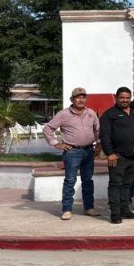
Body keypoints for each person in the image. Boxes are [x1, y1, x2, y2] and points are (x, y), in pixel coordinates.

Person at [44, 87, 101, 221]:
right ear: (72, 99)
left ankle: (89, 207)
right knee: (70, 180)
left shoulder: (91, 113)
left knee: (88, 180)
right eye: (78, 97)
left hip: (89, 151)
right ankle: (67, 209)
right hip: (72, 152)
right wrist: (56, 143)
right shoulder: (63, 114)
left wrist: (99, 144)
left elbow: (97, 130)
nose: (81, 100)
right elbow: (48, 128)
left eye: (83, 97)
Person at [99, 86, 134, 224]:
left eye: (127, 98)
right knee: (115, 185)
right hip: (117, 157)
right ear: (116, 98)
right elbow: (104, 136)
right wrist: (110, 153)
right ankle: (115, 214)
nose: (125, 100)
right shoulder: (109, 115)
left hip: (133, 157)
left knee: (127, 185)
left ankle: (125, 210)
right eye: (122, 98)